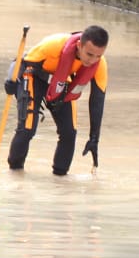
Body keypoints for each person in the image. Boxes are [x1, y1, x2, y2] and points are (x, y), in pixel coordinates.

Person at [6, 25, 109, 175]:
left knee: (69, 133)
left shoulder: (100, 65)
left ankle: (60, 178)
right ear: (79, 45)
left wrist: (94, 138)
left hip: (61, 86)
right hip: (35, 77)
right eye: (89, 54)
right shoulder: (54, 45)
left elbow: (97, 101)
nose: (92, 60)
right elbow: (20, 62)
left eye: (98, 56)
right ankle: (15, 173)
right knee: (27, 129)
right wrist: (11, 79)